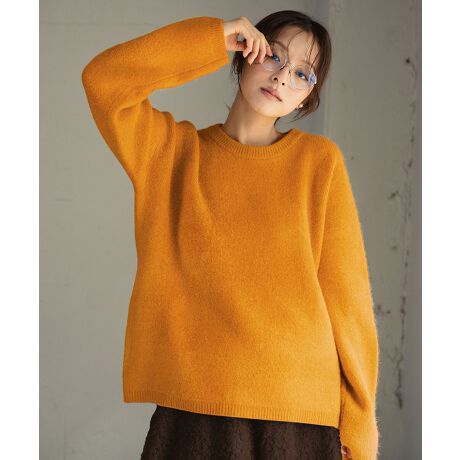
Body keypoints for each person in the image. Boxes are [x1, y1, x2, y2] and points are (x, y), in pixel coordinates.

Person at [81, 10, 380, 460]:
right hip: (197, 405)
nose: (282, 77)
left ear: (307, 97)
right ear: (245, 53)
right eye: (274, 55)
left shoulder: (319, 163)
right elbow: (103, 81)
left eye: (302, 73)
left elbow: (347, 299)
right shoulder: (171, 155)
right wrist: (211, 38)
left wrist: (360, 428)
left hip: (298, 411)